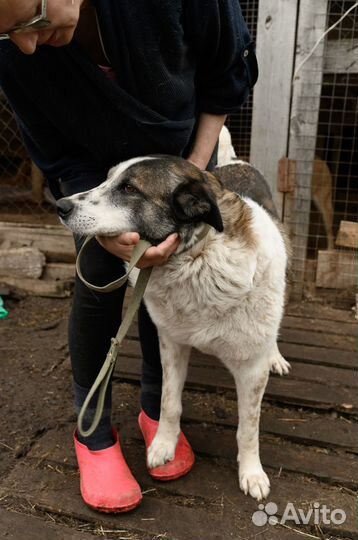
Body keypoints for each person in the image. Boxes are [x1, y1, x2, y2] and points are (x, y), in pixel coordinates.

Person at [0, 0, 258, 513]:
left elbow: (225, 70)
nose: (26, 45)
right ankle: (93, 432)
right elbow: (52, 146)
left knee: (169, 286)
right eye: (8, 36)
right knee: (99, 279)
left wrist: (186, 178)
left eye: (28, 23)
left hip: (180, 159)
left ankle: (158, 411)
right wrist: (101, 232)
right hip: (96, 176)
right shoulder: (14, 46)